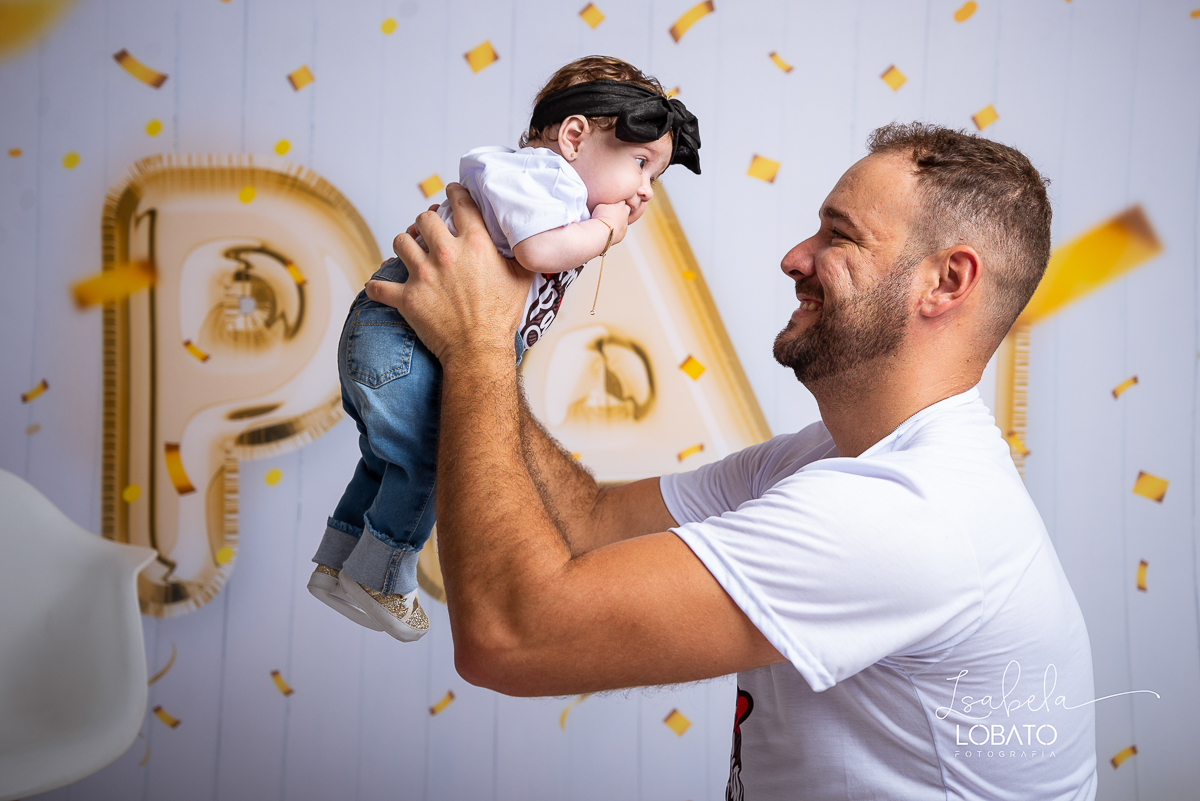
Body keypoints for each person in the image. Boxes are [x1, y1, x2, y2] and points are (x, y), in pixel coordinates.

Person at [366, 123, 1098, 800]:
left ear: (946, 282)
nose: (794, 258)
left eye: (838, 236)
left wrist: (481, 347)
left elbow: (509, 638)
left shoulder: (911, 515)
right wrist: (479, 336)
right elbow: (589, 522)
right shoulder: (831, 461)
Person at [307, 56, 702, 640]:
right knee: (437, 456)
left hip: (402, 336)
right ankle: (382, 575)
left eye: (655, 178)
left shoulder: (555, 191)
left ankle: (340, 560)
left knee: (390, 460)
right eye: (641, 164)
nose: (644, 191)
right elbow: (537, 255)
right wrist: (606, 230)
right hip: (406, 337)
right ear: (573, 137)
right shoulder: (546, 177)